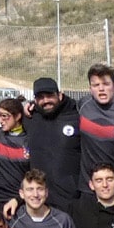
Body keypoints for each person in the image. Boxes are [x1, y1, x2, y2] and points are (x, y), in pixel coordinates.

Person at [22, 77, 82, 205]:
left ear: (60, 95)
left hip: (70, 197)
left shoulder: (76, 115)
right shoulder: (30, 118)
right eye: (41, 97)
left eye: (50, 96)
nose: (46, 101)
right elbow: (9, 118)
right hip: (38, 196)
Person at [76, 64, 114, 192]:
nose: (101, 89)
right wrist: (27, 106)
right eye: (96, 85)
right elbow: (59, 105)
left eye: (106, 84)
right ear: (90, 89)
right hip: (89, 189)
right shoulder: (83, 105)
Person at [0, 96, 33, 210]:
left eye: (5, 116)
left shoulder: (30, 140)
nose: (0, 120)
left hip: (22, 200)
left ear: (18, 116)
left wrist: (20, 198)